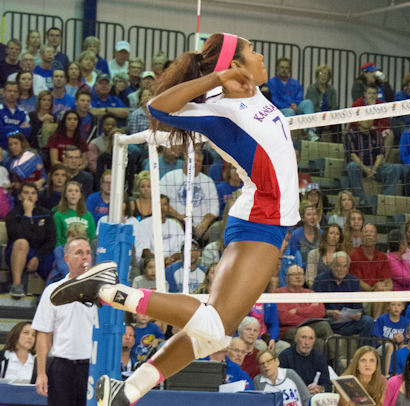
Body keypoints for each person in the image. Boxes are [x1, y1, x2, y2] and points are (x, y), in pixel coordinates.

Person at [48, 33, 301, 406]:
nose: (261, 55)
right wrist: (216, 79)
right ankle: (105, 290)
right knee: (215, 326)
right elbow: (158, 108)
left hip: (265, 216)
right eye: (252, 51)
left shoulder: (252, 91)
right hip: (263, 217)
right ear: (234, 66)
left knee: (213, 333)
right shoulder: (218, 107)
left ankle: (127, 391)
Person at [32, 238, 94, 406]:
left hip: (91, 368)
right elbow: (43, 334)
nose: (85, 257)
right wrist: (41, 373)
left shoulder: (102, 293)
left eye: (88, 253)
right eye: (79, 253)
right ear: (66, 259)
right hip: (61, 367)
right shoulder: (52, 291)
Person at [6, 182, 56, 297]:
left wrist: (37, 257)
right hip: (16, 252)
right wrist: (27, 214)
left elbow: (51, 240)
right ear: (19, 196)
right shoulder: (13, 214)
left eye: (33, 193)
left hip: (40, 253)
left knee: (57, 256)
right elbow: (18, 235)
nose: (30, 196)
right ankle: (16, 285)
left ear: (37, 197)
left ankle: (51, 293)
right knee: (22, 243)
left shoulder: (46, 214)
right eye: (26, 193)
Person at [160, 149, 219, 241]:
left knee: (217, 228)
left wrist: (205, 222)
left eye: (198, 161)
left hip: (201, 226)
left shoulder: (208, 181)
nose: (195, 163)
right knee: (174, 225)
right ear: (184, 161)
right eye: (192, 160)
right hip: (176, 221)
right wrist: (178, 216)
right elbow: (160, 202)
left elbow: (214, 206)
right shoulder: (169, 177)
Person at [312, 251, 374, 337]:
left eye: (345, 266)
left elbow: (359, 307)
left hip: (348, 322)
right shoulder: (320, 280)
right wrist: (329, 312)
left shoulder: (353, 281)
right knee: (323, 324)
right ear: (332, 265)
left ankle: (364, 350)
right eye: (338, 266)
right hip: (328, 321)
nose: (341, 269)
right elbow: (314, 307)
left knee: (368, 320)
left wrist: (356, 314)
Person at [274, 265, 332, 352]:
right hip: (290, 330)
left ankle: (336, 361)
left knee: (323, 329)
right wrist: (309, 315)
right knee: (317, 338)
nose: (298, 277)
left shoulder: (310, 292)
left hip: (310, 328)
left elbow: (321, 312)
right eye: (294, 274)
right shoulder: (278, 293)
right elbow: (284, 318)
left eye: (301, 274)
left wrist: (297, 311)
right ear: (286, 278)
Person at [345, 119, 402, 204]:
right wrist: (366, 170)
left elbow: (380, 155)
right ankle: (361, 198)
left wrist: (374, 169)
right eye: (364, 118)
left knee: (396, 168)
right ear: (359, 121)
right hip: (359, 167)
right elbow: (352, 155)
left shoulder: (377, 134)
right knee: (352, 166)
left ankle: (386, 200)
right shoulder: (351, 133)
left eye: (370, 119)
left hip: (374, 167)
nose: (367, 121)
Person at [349, 224, 393, 319]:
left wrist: (384, 286)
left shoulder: (383, 257)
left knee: (385, 294)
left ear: (377, 237)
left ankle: (376, 323)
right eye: (366, 232)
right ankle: (377, 324)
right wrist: (374, 289)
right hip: (361, 294)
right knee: (381, 295)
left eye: (371, 232)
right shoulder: (353, 256)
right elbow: (357, 281)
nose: (368, 235)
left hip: (378, 293)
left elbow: (388, 280)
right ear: (361, 236)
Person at [266, 57, 316, 140]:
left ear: (290, 69)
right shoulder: (272, 83)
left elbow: (299, 97)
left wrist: (295, 105)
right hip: (280, 110)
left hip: (295, 107)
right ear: (277, 68)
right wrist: (289, 106)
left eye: (286, 68)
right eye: (282, 67)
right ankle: (286, 137)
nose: (284, 70)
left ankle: (310, 131)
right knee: (290, 111)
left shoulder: (295, 83)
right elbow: (275, 100)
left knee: (307, 102)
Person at [278, 326, 332, 394]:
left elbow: (328, 385)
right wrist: (303, 391)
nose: (307, 342)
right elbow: (279, 384)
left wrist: (321, 388)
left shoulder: (319, 357)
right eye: (303, 337)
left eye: (311, 338)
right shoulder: (285, 356)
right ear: (296, 339)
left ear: (314, 341)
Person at [135, 194, 183, 264]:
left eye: (165, 204)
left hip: (172, 263)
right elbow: (145, 251)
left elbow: (181, 250)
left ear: (168, 207)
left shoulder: (175, 225)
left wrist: (171, 259)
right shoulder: (144, 224)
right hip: (152, 263)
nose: (162, 208)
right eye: (159, 204)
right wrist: (161, 261)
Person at [53, 181, 96, 246]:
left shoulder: (88, 215)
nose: (73, 193)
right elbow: (58, 239)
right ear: (65, 194)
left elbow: (92, 237)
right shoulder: (58, 215)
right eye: (70, 191)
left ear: (80, 195)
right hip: (66, 251)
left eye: (76, 191)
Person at [373, 301, 409, 374]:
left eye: (399, 305)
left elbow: (407, 341)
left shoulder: (406, 322)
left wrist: (402, 340)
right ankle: (387, 375)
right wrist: (392, 340)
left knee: (404, 347)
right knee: (391, 346)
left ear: (403, 307)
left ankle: (402, 375)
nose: (396, 307)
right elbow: (378, 340)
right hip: (382, 348)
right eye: (393, 305)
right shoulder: (382, 318)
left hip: (398, 347)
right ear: (388, 306)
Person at [0, 81, 32, 149]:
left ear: (18, 94)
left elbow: (27, 133)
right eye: (9, 91)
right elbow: (1, 133)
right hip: (2, 149)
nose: (12, 93)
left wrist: (7, 128)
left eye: (15, 91)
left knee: (34, 156)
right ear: (4, 92)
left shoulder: (23, 112)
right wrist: (19, 129)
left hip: (19, 150)